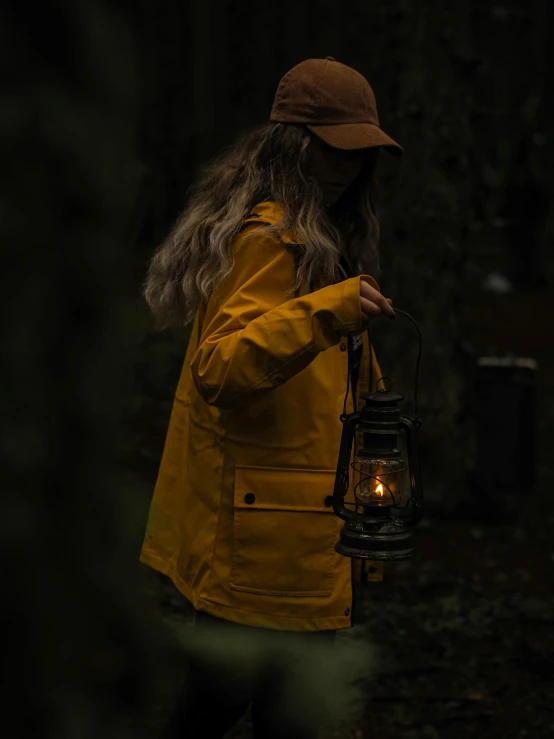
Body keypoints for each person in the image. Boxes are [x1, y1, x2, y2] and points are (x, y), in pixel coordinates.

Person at [140, 56, 402, 738]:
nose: (347, 165)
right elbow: (221, 367)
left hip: (296, 532)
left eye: (359, 151)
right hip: (262, 542)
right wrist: (330, 310)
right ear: (293, 144)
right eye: (332, 148)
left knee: (272, 713)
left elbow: (331, 385)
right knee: (228, 705)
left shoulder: (324, 243)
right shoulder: (269, 239)